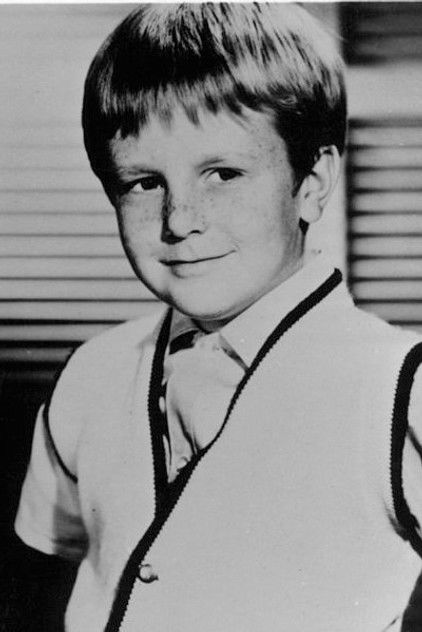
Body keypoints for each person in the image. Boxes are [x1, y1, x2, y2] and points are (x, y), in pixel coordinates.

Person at [11, 3, 422, 631]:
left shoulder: (396, 386)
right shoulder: (91, 375)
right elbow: (48, 580)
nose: (180, 220)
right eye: (144, 183)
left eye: (223, 174)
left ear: (313, 181)